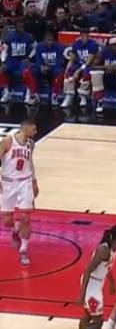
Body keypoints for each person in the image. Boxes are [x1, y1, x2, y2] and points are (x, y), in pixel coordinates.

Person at [75, 225, 116, 329]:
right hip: (91, 285)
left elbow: (106, 267)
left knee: (88, 315)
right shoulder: (103, 251)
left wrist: (112, 282)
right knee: (98, 320)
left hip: (97, 284)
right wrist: (82, 295)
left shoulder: (113, 249)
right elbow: (88, 271)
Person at [1, 119, 38, 265]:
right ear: (25, 128)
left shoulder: (31, 144)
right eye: (33, 129)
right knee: (6, 221)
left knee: (26, 218)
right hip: (8, 183)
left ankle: (23, 250)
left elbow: (30, 163)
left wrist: (34, 181)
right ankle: (16, 228)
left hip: (25, 182)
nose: (35, 132)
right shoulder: (8, 141)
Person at [91, 37, 116, 113]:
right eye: (114, 45)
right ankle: (99, 101)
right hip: (106, 76)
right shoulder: (102, 52)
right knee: (96, 73)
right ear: (109, 46)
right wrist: (105, 67)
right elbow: (94, 66)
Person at [0, 20, 36, 104]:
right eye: (20, 27)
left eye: (23, 27)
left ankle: (28, 94)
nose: (22, 29)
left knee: (26, 72)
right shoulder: (9, 37)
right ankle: (6, 93)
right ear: (15, 28)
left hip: (23, 59)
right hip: (12, 59)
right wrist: (3, 61)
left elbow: (35, 49)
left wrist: (29, 58)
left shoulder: (29, 37)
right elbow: (4, 50)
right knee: (2, 70)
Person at [29, 32, 65, 106]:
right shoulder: (39, 46)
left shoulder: (58, 46)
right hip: (43, 67)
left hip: (54, 67)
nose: (50, 42)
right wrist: (41, 66)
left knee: (59, 72)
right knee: (33, 71)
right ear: (44, 40)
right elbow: (37, 59)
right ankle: (34, 94)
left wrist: (50, 67)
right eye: (48, 40)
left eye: (51, 40)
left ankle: (55, 95)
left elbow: (59, 61)